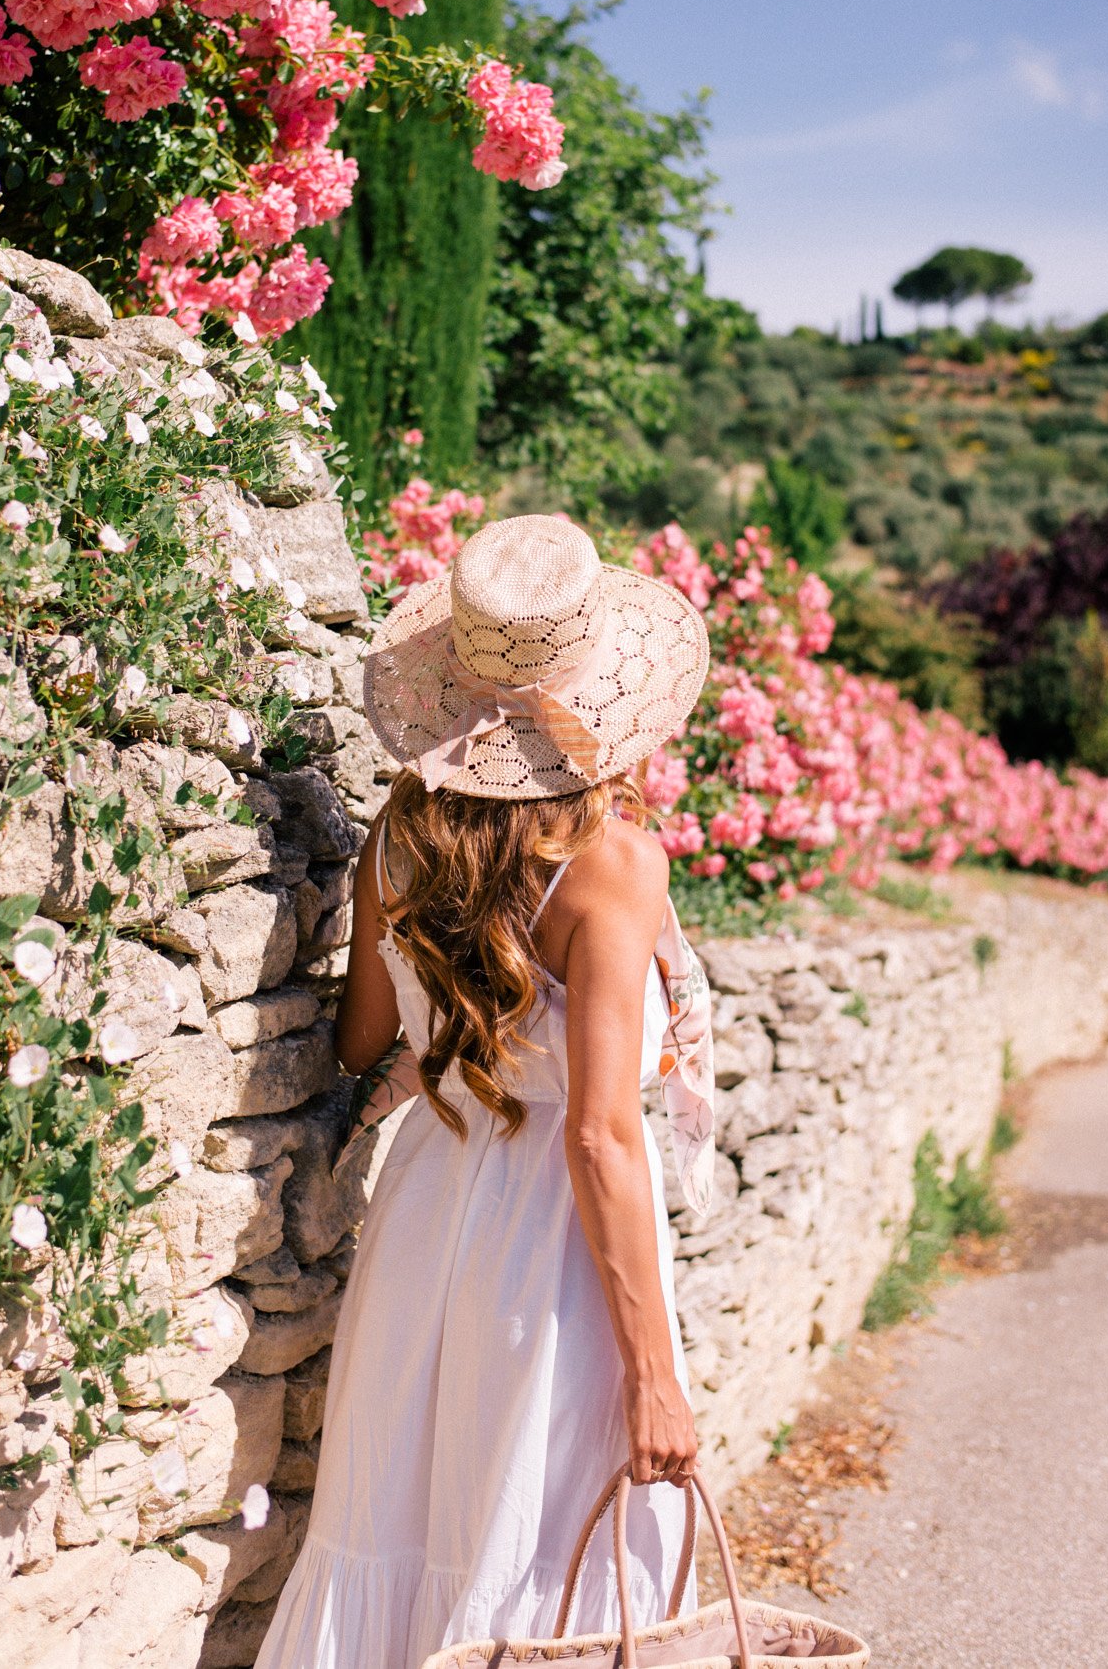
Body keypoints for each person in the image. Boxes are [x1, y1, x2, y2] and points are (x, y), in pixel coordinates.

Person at [255, 512, 716, 1668]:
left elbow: (367, 1037)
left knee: (401, 1521)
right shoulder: (611, 861)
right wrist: (654, 1377)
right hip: (553, 1258)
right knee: (540, 1546)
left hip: (428, 1211)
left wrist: (458, 1009)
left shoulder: (395, 839)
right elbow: (604, 1137)